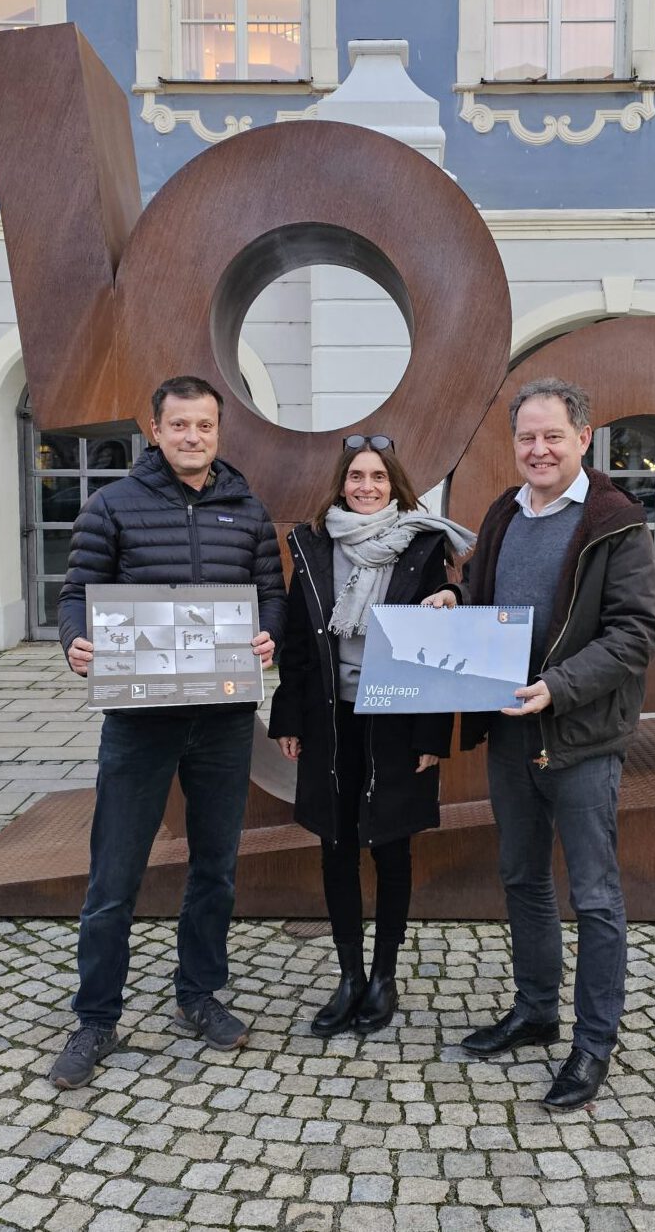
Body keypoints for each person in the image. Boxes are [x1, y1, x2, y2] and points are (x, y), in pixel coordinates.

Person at [425, 378, 655, 1109]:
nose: (537, 449)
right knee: (522, 879)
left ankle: (593, 1045)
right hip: (508, 725)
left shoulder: (615, 523)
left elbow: (636, 633)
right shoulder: (504, 511)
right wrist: (456, 600)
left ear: (582, 438)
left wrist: (559, 686)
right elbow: (494, 595)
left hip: (580, 733)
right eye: (526, 437)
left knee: (593, 895)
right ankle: (535, 1011)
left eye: (551, 436)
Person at [49, 375, 286, 1089]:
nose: (192, 437)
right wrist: (75, 644)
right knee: (114, 874)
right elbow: (76, 594)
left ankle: (197, 994)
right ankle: (95, 1017)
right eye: (179, 425)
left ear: (219, 431)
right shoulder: (112, 505)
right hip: (139, 722)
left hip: (221, 720)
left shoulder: (245, 508)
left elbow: (269, 591)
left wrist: (270, 632)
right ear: (155, 429)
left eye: (204, 426)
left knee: (214, 866)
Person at [268, 435, 475, 1037]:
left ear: (395, 485)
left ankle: (384, 977)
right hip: (330, 716)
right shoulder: (312, 544)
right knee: (336, 844)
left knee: (390, 847)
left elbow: (441, 638)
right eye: (356, 476)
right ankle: (350, 975)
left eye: (378, 478)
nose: (366, 486)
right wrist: (288, 717)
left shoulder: (423, 541)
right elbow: (301, 644)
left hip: (400, 718)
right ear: (341, 483)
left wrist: (434, 733)